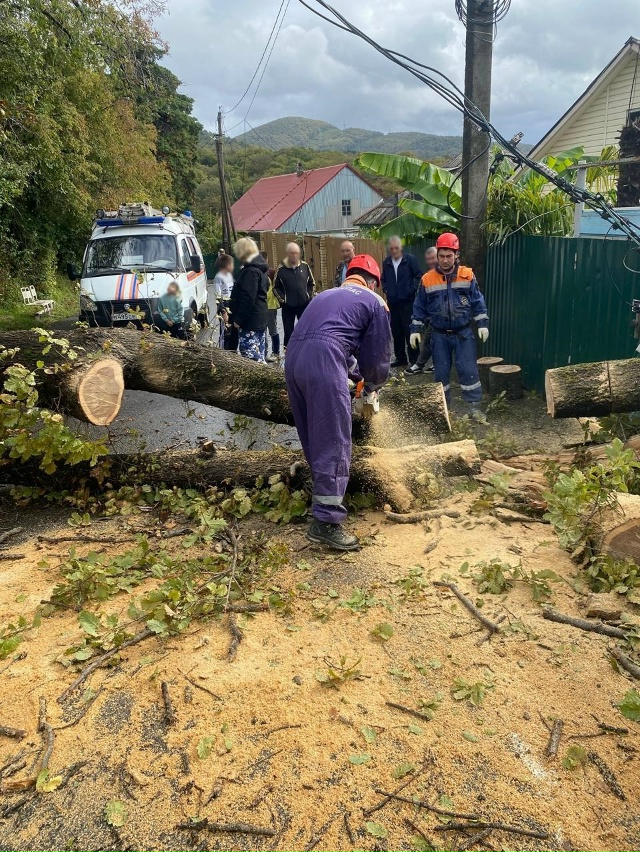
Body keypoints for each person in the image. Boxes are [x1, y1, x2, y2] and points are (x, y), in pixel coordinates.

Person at [285, 255, 391, 551]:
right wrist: (371, 387)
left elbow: (330, 339)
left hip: (293, 360)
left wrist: (356, 377)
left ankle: (321, 499)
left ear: (349, 276)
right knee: (334, 440)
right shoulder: (375, 301)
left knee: (314, 437)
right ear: (373, 283)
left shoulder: (325, 295)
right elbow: (377, 357)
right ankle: (327, 522)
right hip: (324, 359)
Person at [409, 233, 489, 421]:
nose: (445, 260)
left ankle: (474, 408)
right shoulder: (427, 279)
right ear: (437, 255)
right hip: (439, 335)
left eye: (449, 256)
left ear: (456, 255)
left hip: (463, 333)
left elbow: (478, 301)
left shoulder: (467, 275)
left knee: (468, 370)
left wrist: (482, 324)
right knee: (441, 373)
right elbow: (419, 307)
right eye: (442, 256)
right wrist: (415, 330)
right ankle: (444, 412)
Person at [381, 236, 422, 368]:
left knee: (410, 331)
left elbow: (418, 276)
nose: (394, 251)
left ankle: (414, 359)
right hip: (393, 304)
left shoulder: (410, 260)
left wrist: (412, 290)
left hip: (408, 303)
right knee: (396, 332)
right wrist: (386, 289)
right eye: (392, 248)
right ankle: (400, 358)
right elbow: (383, 279)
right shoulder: (386, 262)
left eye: (396, 248)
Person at [230, 237, 269, 363]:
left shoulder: (250, 271)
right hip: (260, 316)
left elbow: (248, 298)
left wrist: (239, 319)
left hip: (250, 320)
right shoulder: (260, 268)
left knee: (250, 356)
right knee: (259, 352)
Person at [274, 242, 315, 347]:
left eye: (296, 253)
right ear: (287, 254)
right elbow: (275, 287)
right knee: (288, 332)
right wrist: (283, 300)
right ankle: (288, 351)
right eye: (292, 253)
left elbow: (312, 283)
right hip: (288, 307)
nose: (294, 255)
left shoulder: (305, 266)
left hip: (304, 305)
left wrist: (309, 296)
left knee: (305, 329)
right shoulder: (281, 269)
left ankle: (305, 349)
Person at [405, 246, 437, 375]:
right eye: (428, 259)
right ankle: (424, 364)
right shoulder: (427, 277)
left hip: (443, 318)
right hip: (431, 315)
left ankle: (420, 365)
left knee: (431, 341)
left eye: (433, 258)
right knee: (430, 341)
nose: (430, 261)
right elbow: (420, 301)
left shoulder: (449, 275)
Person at [213, 254, 236, 351]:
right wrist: (223, 312)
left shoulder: (230, 276)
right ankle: (223, 351)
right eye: (232, 264)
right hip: (224, 306)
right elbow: (218, 297)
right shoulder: (218, 278)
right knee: (225, 332)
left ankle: (232, 351)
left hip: (231, 304)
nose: (233, 266)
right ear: (227, 265)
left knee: (232, 331)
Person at [261, 251, 280, 363]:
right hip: (263, 305)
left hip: (270, 305)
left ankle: (275, 352)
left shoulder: (270, 272)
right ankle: (265, 353)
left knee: (272, 330)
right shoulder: (263, 271)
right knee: (264, 331)